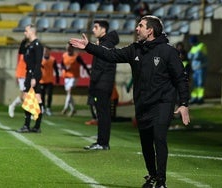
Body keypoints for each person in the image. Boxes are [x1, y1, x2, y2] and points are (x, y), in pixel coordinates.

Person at [70, 15, 190, 188]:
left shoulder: (167, 51)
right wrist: (88, 47)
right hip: (142, 104)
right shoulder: (135, 50)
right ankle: (153, 175)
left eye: (140, 25)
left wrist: (184, 103)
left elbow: (181, 78)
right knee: (146, 143)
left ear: (150, 30)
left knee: (159, 138)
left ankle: (161, 182)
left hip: (163, 103)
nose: (136, 28)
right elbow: (111, 55)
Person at [83, 19, 119, 150]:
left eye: (96, 27)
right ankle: (102, 141)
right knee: (103, 114)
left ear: (103, 30)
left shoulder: (106, 44)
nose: (93, 30)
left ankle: (103, 143)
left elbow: (101, 66)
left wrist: (93, 83)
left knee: (103, 114)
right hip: (104, 83)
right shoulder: (105, 43)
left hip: (102, 84)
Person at [17, 24, 44, 133]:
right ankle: (36, 126)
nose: (25, 33)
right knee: (37, 99)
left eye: (26, 31)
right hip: (29, 73)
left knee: (26, 97)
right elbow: (21, 51)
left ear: (32, 32)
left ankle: (27, 125)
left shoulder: (37, 45)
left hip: (33, 74)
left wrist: (34, 78)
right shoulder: (30, 44)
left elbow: (38, 63)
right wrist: (24, 40)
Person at [61, 43, 90, 117]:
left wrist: (88, 72)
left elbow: (83, 64)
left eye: (69, 48)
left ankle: (65, 108)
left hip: (74, 76)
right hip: (66, 76)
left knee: (69, 91)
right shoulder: (64, 55)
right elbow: (62, 65)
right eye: (67, 48)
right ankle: (73, 109)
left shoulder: (77, 56)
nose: (68, 49)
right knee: (69, 94)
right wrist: (65, 68)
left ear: (72, 48)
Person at [8, 38, 28, 118]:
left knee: (26, 95)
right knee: (24, 95)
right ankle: (13, 106)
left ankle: (13, 105)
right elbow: (22, 46)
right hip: (22, 75)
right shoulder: (23, 52)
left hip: (28, 76)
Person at [40, 46, 60, 116]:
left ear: (49, 52)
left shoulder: (52, 60)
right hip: (42, 81)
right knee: (42, 96)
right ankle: (42, 108)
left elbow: (56, 70)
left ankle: (48, 108)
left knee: (49, 95)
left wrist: (57, 80)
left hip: (50, 81)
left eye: (47, 50)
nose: (45, 52)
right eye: (44, 50)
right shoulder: (40, 59)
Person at [187, 35, 208, 104]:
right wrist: (193, 55)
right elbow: (189, 56)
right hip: (195, 69)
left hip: (201, 68)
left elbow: (198, 56)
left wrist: (193, 55)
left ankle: (200, 98)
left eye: (191, 42)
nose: (191, 44)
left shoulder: (201, 45)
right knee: (195, 84)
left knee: (200, 83)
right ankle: (194, 98)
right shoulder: (193, 47)